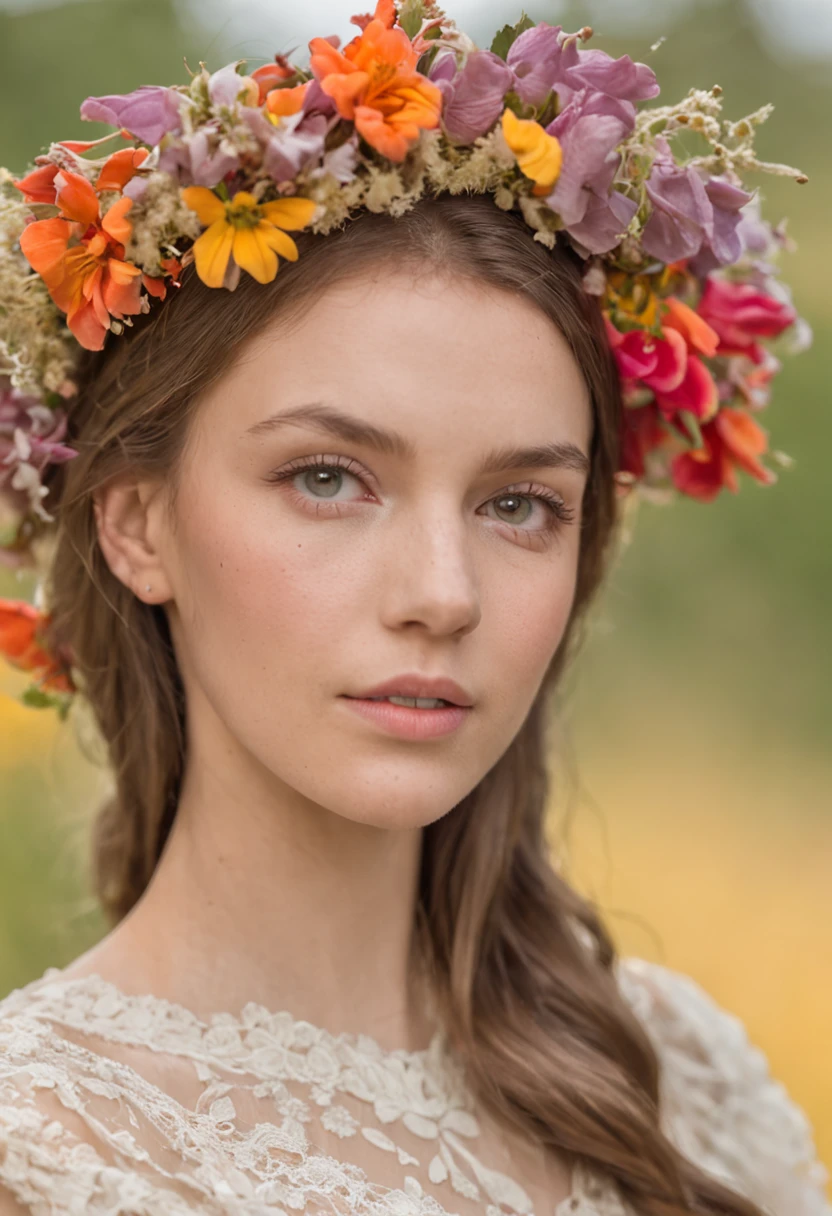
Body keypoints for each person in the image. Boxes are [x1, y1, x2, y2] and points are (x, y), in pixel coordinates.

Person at [0, 5, 827, 1215]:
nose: (442, 594)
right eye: (327, 478)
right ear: (137, 526)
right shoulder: (42, 1148)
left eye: (517, 504)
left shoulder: (681, 1078)